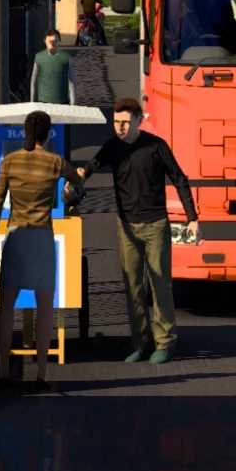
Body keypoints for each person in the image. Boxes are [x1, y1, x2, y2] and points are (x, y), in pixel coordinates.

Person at [72, 97, 198, 364]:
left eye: (126, 122)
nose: (120, 127)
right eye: (116, 122)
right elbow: (91, 167)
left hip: (156, 225)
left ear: (139, 121)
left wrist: (192, 218)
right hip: (126, 226)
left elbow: (179, 178)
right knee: (132, 286)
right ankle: (140, 342)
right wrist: (78, 177)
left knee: (160, 284)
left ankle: (165, 342)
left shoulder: (156, 146)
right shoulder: (112, 147)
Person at [0, 109, 83, 392]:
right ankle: (41, 373)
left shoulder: (10, 161)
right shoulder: (55, 162)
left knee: (6, 307)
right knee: (44, 307)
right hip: (42, 237)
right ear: (47, 133)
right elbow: (78, 182)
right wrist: (74, 185)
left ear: (26, 132)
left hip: (16, 236)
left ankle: (4, 372)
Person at [28, 29, 76, 105]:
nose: (52, 44)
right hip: (43, 102)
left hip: (62, 102)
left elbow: (71, 82)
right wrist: (32, 101)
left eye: (55, 41)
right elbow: (33, 81)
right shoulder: (39, 57)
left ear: (59, 41)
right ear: (45, 41)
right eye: (50, 41)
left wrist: (73, 103)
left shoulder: (66, 57)